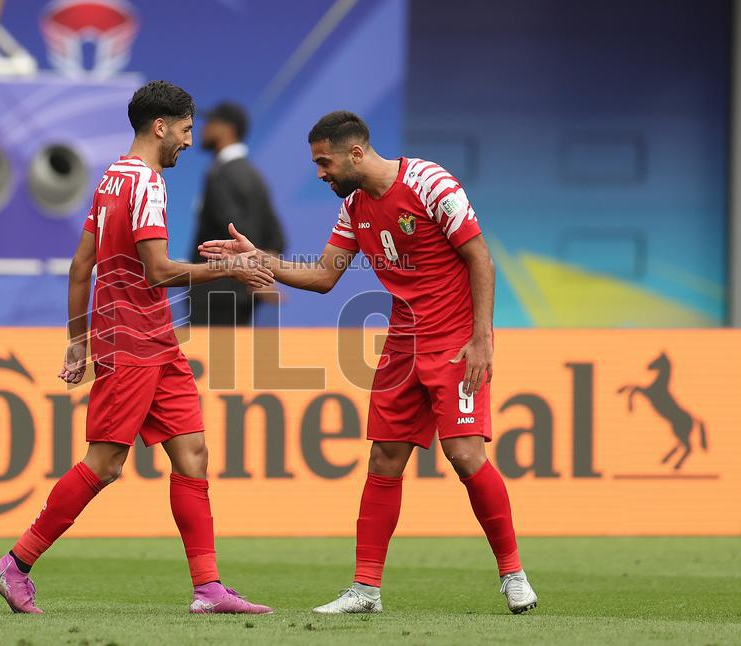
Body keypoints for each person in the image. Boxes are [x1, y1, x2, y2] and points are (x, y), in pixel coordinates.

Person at [198, 111, 538, 615]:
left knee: (465, 456)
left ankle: (513, 574)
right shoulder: (354, 207)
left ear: (355, 153)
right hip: (402, 341)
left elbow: (480, 258)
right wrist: (261, 259)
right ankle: (366, 590)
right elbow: (321, 275)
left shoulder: (430, 183)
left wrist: (482, 339)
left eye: (324, 162)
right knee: (383, 460)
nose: (320, 173)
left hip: (454, 340)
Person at [0, 80, 274, 616]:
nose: (189, 140)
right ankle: (15, 564)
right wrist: (229, 267)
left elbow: (80, 266)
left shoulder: (112, 179)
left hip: (153, 338)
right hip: (133, 339)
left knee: (192, 453)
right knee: (106, 463)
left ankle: (208, 589)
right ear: (160, 126)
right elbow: (159, 271)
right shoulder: (147, 185)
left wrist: (77, 342)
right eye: (186, 130)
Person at [189, 102, 286, 326]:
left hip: (216, 295)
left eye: (210, 123)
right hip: (238, 295)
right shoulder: (254, 176)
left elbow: (239, 230)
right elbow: (277, 236)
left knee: (213, 361)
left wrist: (257, 272)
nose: (202, 129)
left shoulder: (221, 175)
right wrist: (262, 273)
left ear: (227, 129)